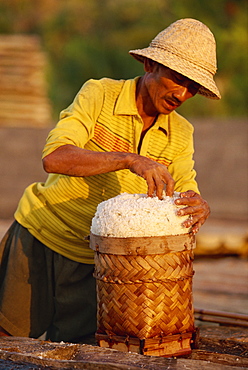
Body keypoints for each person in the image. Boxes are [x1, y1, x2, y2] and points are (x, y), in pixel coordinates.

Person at [0, 18, 221, 342]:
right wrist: (129, 159)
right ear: (150, 64)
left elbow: (185, 188)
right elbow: (54, 157)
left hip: (100, 260)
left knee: (76, 353)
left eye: (193, 87)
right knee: (7, 340)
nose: (183, 93)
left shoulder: (181, 133)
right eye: (178, 78)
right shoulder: (99, 94)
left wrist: (198, 205)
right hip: (40, 238)